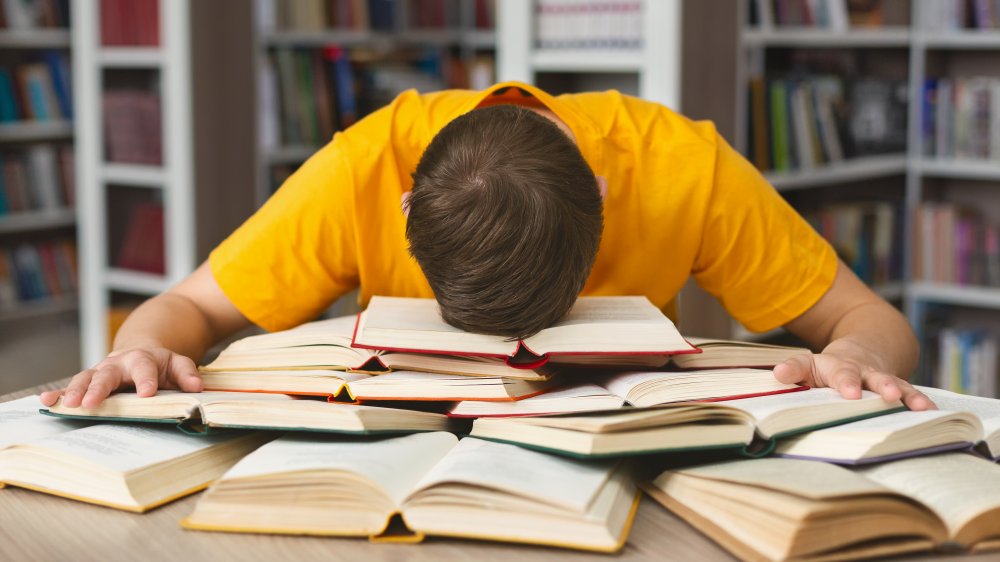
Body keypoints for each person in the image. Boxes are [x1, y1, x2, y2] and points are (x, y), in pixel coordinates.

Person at [40, 81, 932, 411]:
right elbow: (191, 305)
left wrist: (854, 351)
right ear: (401, 211)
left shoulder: (680, 165)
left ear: (608, 201)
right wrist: (143, 347)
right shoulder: (363, 159)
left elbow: (868, 316)